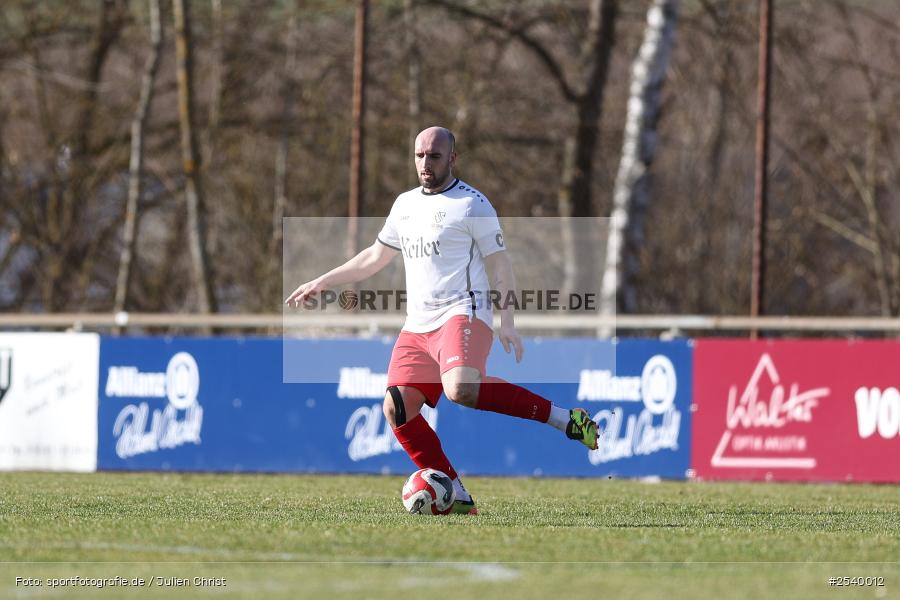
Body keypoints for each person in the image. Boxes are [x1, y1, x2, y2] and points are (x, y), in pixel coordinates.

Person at [285, 126, 598, 515]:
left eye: (434, 156)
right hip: (418, 325)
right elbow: (374, 257)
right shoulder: (404, 205)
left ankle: (565, 420)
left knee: (460, 388)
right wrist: (323, 281)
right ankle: (457, 494)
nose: (425, 163)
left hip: (463, 312)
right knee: (396, 407)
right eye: (419, 155)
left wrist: (507, 321)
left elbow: (500, 265)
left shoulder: (472, 205)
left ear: (452, 158)